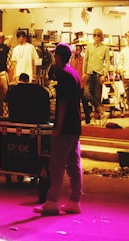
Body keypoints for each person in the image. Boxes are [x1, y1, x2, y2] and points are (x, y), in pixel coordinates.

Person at [37, 43, 82, 216]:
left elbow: (63, 103)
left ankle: (52, 202)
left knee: (56, 165)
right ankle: (74, 201)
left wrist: (58, 126)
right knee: (74, 164)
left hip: (65, 127)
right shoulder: (74, 74)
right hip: (75, 126)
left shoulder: (63, 75)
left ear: (58, 57)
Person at [83, 28, 109, 124]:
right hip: (89, 73)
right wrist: (84, 72)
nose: (96, 37)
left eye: (98, 35)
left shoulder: (105, 48)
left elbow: (107, 63)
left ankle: (94, 118)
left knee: (97, 97)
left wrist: (104, 74)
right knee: (86, 94)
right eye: (94, 35)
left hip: (99, 74)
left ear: (101, 36)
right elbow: (85, 60)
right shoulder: (89, 47)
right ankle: (102, 112)